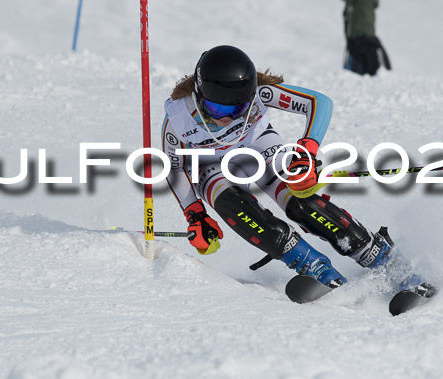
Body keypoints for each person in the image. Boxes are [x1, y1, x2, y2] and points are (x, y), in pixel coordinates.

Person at [161, 45, 426, 300]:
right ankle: (314, 267)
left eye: (240, 108)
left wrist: (306, 153)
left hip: (257, 144)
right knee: (232, 205)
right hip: (211, 164)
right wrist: (194, 213)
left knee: (301, 199)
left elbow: (319, 103)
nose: (230, 118)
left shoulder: (262, 92)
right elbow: (176, 168)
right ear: (199, 93)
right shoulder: (177, 119)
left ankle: (386, 260)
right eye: (219, 108)